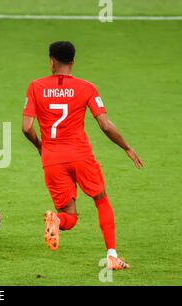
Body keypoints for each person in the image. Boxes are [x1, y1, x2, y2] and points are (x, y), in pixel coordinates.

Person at [22, 41, 143, 270]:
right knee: (101, 200)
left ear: (51, 61)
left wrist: (40, 146)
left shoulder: (35, 86)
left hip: (52, 159)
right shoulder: (87, 87)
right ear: (73, 61)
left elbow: (26, 127)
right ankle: (111, 256)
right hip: (80, 155)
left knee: (69, 216)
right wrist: (126, 146)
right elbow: (105, 125)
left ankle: (57, 220)